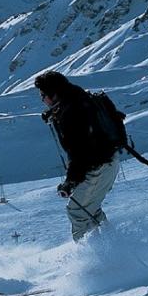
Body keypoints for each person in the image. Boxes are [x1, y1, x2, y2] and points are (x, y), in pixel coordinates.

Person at [34, 70, 121, 241]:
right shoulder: (79, 98)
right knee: (91, 208)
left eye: (43, 95)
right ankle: (113, 246)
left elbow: (79, 152)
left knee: (76, 211)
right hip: (110, 161)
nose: (42, 99)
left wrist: (70, 182)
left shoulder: (70, 114)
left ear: (54, 94)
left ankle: (91, 258)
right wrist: (54, 113)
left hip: (98, 166)